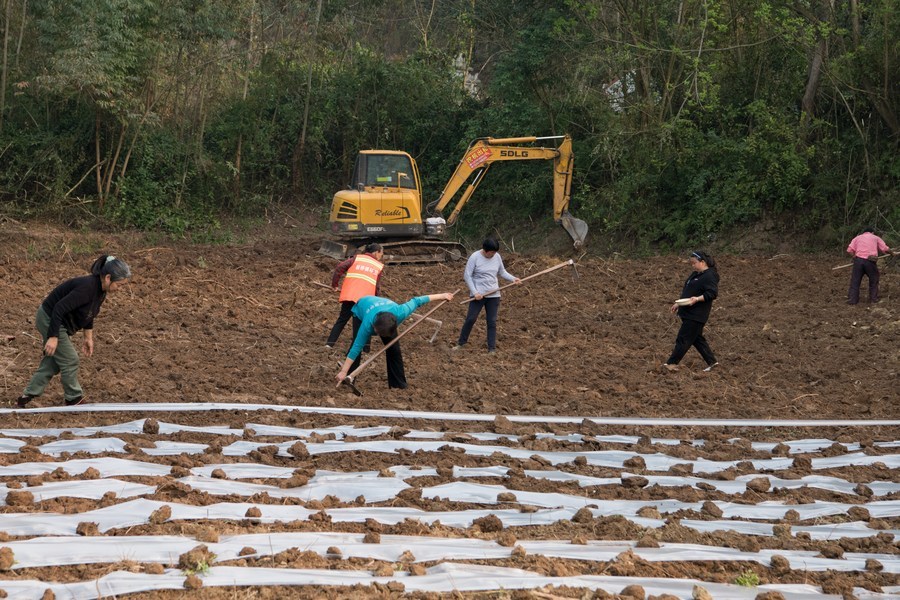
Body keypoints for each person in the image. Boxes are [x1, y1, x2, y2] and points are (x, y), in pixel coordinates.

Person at [16, 255, 132, 408]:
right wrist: (53, 336)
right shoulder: (87, 288)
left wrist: (88, 338)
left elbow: (89, 313)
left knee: (54, 362)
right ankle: (73, 399)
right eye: (120, 285)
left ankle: (27, 396)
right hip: (49, 318)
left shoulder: (101, 290)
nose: (120, 289)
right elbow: (59, 308)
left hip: (58, 321)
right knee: (70, 359)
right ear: (108, 278)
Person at [335, 292, 454, 389]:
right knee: (357, 346)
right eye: (377, 332)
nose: (377, 335)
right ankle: (347, 378)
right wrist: (343, 371)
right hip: (362, 306)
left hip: (385, 311)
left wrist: (442, 296)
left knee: (394, 349)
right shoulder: (367, 324)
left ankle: (398, 384)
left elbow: (418, 300)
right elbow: (356, 347)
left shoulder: (401, 311)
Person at [453, 238, 520, 354]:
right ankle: (461, 343)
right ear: (485, 250)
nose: (493, 255)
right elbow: (467, 276)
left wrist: (513, 279)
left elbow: (502, 272)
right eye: (491, 252)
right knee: (471, 319)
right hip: (478, 295)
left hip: (494, 295)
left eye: (495, 252)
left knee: (492, 321)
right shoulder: (475, 257)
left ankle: (491, 348)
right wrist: (475, 292)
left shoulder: (497, 257)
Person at [663, 250, 719, 372]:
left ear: (702, 262)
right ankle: (713, 363)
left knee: (683, 339)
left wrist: (697, 299)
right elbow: (688, 291)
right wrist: (678, 303)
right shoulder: (695, 274)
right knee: (697, 339)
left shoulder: (710, 275)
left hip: (696, 314)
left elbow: (712, 293)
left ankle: (671, 363)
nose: (692, 265)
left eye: (694, 263)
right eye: (691, 263)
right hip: (688, 312)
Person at [326, 243, 384, 349]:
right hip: (364, 300)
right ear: (376, 252)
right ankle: (364, 349)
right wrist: (376, 301)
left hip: (350, 295)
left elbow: (339, 268)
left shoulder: (357, 258)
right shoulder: (378, 266)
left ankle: (329, 344)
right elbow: (376, 286)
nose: (381, 257)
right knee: (363, 324)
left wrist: (335, 285)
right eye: (381, 254)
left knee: (342, 320)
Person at [846, 228, 893, 305]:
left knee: (855, 281)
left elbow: (849, 250)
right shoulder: (875, 238)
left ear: (863, 232)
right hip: (870, 262)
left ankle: (852, 300)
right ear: (872, 232)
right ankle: (873, 299)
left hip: (858, 261)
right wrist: (892, 253)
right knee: (874, 280)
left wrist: (854, 257)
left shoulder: (857, 238)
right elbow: (885, 249)